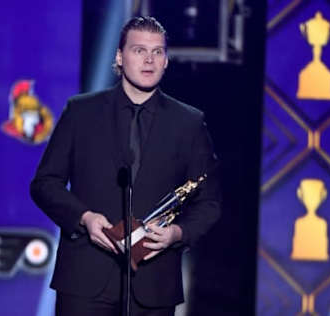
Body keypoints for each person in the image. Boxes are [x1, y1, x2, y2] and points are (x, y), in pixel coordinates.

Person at [30, 16, 221, 316]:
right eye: (139, 50)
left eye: (157, 52)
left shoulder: (189, 123)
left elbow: (209, 202)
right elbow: (45, 184)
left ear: (166, 61)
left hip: (154, 283)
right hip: (84, 279)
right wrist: (84, 218)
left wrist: (177, 234)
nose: (149, 60)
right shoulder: (81, 112)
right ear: (119, 56)